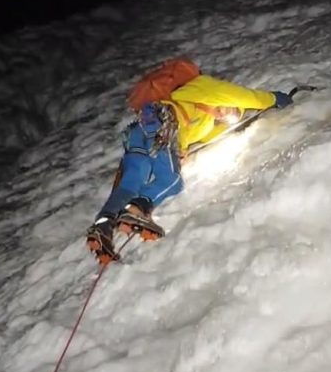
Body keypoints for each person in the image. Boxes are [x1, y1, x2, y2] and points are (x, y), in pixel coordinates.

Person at [86, 71, 295, 264]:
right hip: (161, 125)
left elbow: (198, 137)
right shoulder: (204, 87)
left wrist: (182, 151)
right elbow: (244, 96)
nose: (225, 113)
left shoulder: (202, 120)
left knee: (130, 184)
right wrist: (273, 99)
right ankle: (137, 209)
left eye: (229, 115)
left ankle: (103, 225)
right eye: (230, 108)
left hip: (139, 132)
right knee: (172, 181)